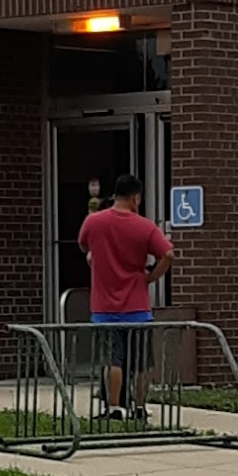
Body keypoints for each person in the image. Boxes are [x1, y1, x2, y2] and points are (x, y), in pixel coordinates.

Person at [77, 172, 174, 418]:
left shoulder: (94, 222)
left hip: (104, 307)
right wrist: (150, 277)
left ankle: (114, 407)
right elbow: (168, 254)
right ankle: (139, 407)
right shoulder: (145, 226)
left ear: (115, 195)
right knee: (141, 363)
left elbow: (84, 246)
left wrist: (96, 257)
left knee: (112, 360)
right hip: (138, 306)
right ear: (136, 198)